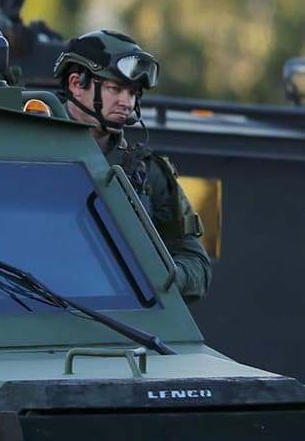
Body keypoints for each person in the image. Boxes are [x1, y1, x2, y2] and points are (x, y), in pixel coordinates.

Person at [54, 30, 211, 302]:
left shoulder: (146, 173)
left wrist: (160, 276)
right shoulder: (23, 152)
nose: (126, 103)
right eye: (115, 89)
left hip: (120, 321)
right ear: (76, 83)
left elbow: (196, 263)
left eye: (133, 93)